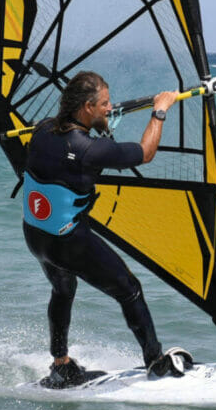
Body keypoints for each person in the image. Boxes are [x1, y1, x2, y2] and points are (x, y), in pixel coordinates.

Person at [22, 70, 193, 388]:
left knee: (63, 289)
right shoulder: (89, 150)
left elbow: (69, 153)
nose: (109, 107)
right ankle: (156, 362)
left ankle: (61, 365)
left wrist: (105, 123)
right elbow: (145, 152)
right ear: (86, 107)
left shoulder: (43, 129)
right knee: (130, 290)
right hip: (67, 240)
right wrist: (161, 109)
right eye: (104, 103)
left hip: (36, 235)